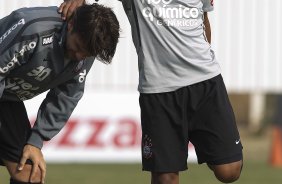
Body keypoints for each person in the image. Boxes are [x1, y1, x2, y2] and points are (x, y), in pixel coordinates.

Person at [60, 0, 243, 183]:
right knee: (165, 178)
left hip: (205, 81)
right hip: (158, 90)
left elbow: (203, 17)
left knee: (230, 170)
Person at [0, 3, 120, 184]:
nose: (79, 56)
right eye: (78, 46)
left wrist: (35, 141)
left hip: (7, 98)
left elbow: (66, 96)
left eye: (87, 53)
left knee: (31, 174)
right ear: (71, 25)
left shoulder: (87, 50)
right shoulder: (32, 28)